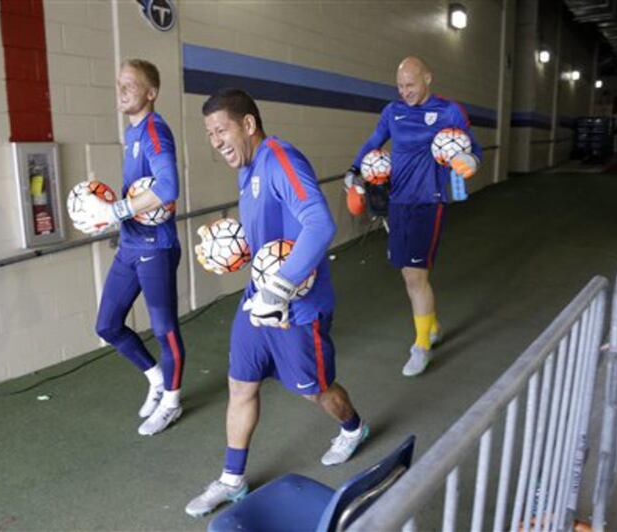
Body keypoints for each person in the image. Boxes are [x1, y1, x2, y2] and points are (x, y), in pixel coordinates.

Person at [186, 88, 369, 517]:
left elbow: (319, 225)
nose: (215, 140)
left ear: (248, 124)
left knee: (316, 391)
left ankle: (353, 427)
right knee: (240, 384)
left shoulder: (281, 158)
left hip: (298, 309)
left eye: (220, 129)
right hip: (258, 301)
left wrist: (280, 288)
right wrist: (230, 245)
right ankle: (233, 478)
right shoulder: (247, 171)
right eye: (209, 134)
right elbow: (270, 239)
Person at [344, 56, 482, 377]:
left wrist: (470, 160)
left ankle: (421, 345)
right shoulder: (393, 112)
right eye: (400, 85)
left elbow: (474, 148)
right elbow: (374, 142)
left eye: (411, 84)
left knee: (415, 275)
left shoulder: (450, 111)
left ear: (428, 78)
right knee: (409, 274)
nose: (405, 91)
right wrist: (354, 170)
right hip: (397, 201)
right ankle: (431, 325)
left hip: (428, 202)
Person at [81, 59, 185, 436]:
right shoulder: (133, 132)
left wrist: (117, 209)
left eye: (131, 85)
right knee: (107, 325)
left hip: (156, 248)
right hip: (129, 245)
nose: (122, 91)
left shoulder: (156, 131)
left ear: (151, 93)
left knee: (164, 330)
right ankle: (157, 379)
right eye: (119, 84)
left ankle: (172, 402)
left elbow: (169, 188)